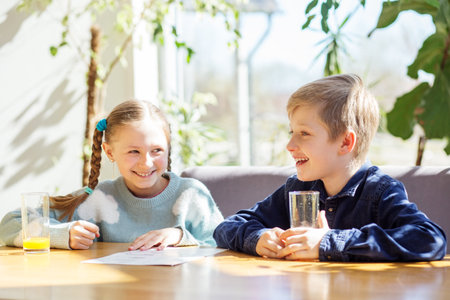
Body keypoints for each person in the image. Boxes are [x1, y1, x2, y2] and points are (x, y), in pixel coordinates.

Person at [213, 74, 447, 261]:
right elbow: (227, 227)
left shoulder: (379, 191)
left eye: (304, 133)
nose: (290, 145)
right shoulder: (299, 187)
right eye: (291, 132)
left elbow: (430, 239)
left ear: (345, 142)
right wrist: (257, 237)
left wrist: (327, 242)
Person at [0, 100, 223, 250]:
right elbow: (9, 224)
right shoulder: (100, 199)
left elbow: (227, 247)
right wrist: (62, 234)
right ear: (109, 152)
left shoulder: (192, 195)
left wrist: (181, 237)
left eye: (157, 150)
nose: (146, 162)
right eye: (133, 151)